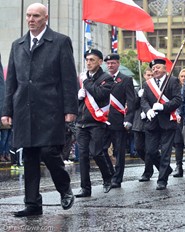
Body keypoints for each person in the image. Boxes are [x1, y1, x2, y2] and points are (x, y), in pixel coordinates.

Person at [1, 3, 78, 217]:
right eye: (28, 15)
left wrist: (71, 108)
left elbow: (69, 78)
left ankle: (64, 188)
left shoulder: (60, 42)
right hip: (24, 108)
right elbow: (12, 81)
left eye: (35, 16)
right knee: (30, 156)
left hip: (51, 107)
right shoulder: (18, 45)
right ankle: (33, 204)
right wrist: (6, 110)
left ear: (46, 18)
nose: (31, 19)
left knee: (48, 151)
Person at [75, 49, 114, 197]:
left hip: (97, 121)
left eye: (92, 60)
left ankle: (107, 177)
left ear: (100, 62)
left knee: (97, 153)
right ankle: (85, 188)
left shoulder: (106, 78)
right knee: (83, 156)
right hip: (82, 121)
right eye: (87, 60)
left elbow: (100, 94)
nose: (89, 62)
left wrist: (86, 82)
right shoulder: (81, 77)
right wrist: (78, 97)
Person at [141, 58, 182, 190]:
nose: (155, 70)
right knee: (151, 152)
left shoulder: (172, 81)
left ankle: (162, 180)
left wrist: (163, 107)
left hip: (167, 121)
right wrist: (147, 111)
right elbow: (144, 100)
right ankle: (166, 169)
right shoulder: (148, 84)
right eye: (153, 69)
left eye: (158, 67)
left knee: (165, 152)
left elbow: (177, 100)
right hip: (152, 122)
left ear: (165, 69)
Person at [102, 53, 135, 188]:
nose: (110, 65)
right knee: (101, 150)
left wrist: (128, 119)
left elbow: (131, 101)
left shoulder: (125, 79)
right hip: (103, 120)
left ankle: (117, 178)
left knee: (119, 151)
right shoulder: (103, 79)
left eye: (113, 63)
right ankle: (109, 174)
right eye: (108, 63)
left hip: (119, 120)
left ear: (118, 64)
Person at [133, 68, 155, 181]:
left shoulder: (156, 89)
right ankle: (161, 165)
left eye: (152, 75)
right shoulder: (138, 89)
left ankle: (148, 171)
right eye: (148, 75)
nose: (150, 77)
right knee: (139, 148)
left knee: (149, 149)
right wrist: (138, 96)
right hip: (138, 122)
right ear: (144, 75)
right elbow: (133, 105)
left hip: (150, 121)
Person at [173, 68, 185, 178]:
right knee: (178, 143)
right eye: (182, 76)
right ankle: (179, 166)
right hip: (178, 119)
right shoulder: (176, 88)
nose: (183, 78)